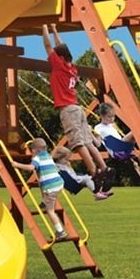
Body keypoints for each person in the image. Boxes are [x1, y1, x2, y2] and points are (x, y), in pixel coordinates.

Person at [42, 24, 109, 186]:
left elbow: (48, 45)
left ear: (61, 58)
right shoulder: (72, 68)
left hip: (68, 109)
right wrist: (54, 29)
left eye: (57, 56)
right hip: (77, 107)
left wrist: (44, 27)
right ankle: (103, 167)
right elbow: (60, 47)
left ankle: (94, 172)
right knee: (87, 141)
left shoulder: (58, 65)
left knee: (77, 143)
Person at [11, 138, 69, 241]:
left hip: (51, 187)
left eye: (32, 150)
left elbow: (31, 168)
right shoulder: (48, 156)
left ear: (34, 150)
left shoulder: (37, 158)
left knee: (50, 211)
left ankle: (60, 232)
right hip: (58, 183)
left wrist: (17, 165)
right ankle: (43, 202)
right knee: (41, 182)